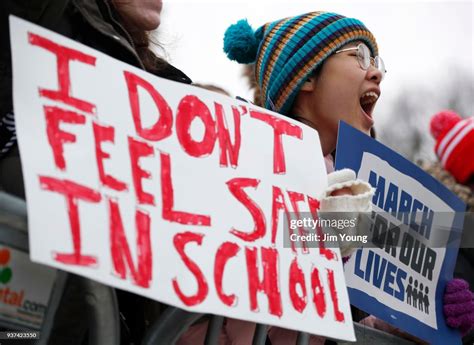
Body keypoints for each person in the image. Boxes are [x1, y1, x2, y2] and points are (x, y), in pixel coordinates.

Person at [223, 10, 474, 342]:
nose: (376, 73)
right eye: (359, 56)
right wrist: (333, 232)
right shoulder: (250, 164)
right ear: (307, 77)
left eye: (377, 62)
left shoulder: (355, 185)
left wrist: (424, 312)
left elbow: (335, 331)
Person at [0, 1, 191, 343]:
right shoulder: (40, 16)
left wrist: (319, 227)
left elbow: (291, 245)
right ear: (305, 81)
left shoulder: (172, 94)